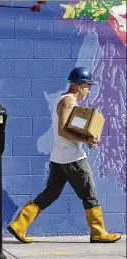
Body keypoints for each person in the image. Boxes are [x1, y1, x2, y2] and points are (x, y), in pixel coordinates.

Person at [6, 67, 122, 244]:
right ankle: (98, 232)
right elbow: (63, 132)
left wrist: (88, 136)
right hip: (72, 158)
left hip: (59, 159)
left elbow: (71, 128)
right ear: (78, 85)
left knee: (50, 194)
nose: (88, 90)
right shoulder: (68, 101)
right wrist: (87, 140)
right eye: (87, 86)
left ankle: (19, 225)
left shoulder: (67, 101)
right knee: (89, 194)